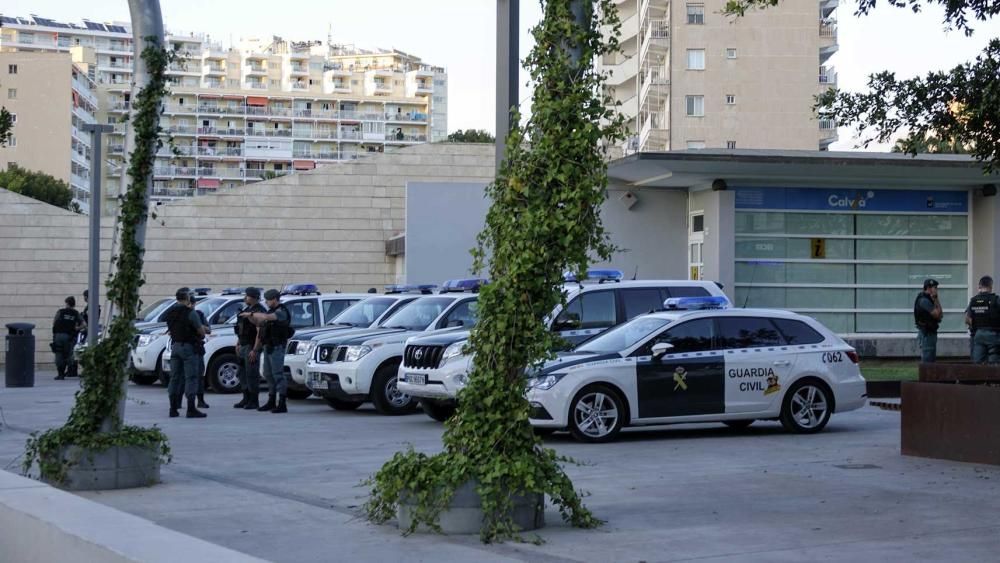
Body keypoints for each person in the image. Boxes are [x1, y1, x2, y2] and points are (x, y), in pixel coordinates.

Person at [240, 289, 293, 413]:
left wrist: (251, 314)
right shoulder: (271, 310)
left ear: (274, 299)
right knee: (268, 375)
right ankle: (271, 400)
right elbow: (260, 322)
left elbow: (266, 317)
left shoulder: (281, 311)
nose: (266, 302)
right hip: (268, 346)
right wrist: (250, 318)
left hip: (277, 347)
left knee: (278, 375)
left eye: (268, 300)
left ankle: (282, 403)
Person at [164, 288, 209, 418]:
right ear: (187, 298)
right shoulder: (190, 313)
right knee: (191, 378)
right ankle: (190, 408)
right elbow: (201, 331)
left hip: (175, 346)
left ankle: (173, 408)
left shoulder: (170, 312)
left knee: (174, 378)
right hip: (189, 347)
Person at [233, 287, 266, 409]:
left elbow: (260, 332)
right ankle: (246, 398)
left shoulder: (258, 311)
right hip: (243, 345)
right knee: (242, 373)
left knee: (252, 374)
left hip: (251, 346)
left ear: (252, 297)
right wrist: (238, 343)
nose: (245, 298)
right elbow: (241, 330)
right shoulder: (247, 310)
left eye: (247, 296)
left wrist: (255, 349)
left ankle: (254, 400)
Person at [965, 276, 1000, 364]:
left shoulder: (973, 300)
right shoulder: (996, 299)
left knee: (978, 363)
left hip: (978, 335)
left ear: (980, 286)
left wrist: (977, 324)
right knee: (994, 364)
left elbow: (967, 319)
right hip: (993, 334)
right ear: (991, 286)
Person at [51, 296, 83, 380]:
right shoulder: (76, 313)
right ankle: (70, 370)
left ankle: (60, 374)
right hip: (69, 336)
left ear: (67, 303)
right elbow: (84, 325)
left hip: (58, 335)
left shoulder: (60, 312)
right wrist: (77, 328)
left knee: (59, 353)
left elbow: (54, 323)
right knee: (69, 354)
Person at [913, 278, 943, 363]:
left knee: (931, 360)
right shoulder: (924, 300)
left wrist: (935, 299)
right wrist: (936, 299)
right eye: (935, 288)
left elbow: (941, 315)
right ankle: (927, 376)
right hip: (927, 334)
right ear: (929, 288)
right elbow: (937, 314)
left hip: (930, 332)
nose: (936, 290)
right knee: (928, 361)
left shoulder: (929, 299)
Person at [192, 304, 211, 409]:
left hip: (196, 347)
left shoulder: (198, 315)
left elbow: (207, 330)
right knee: (184, 377)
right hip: (188, 348)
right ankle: (177, 402)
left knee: (199, 376)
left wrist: (199, 325)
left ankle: (200, 400)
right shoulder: (177, 313)